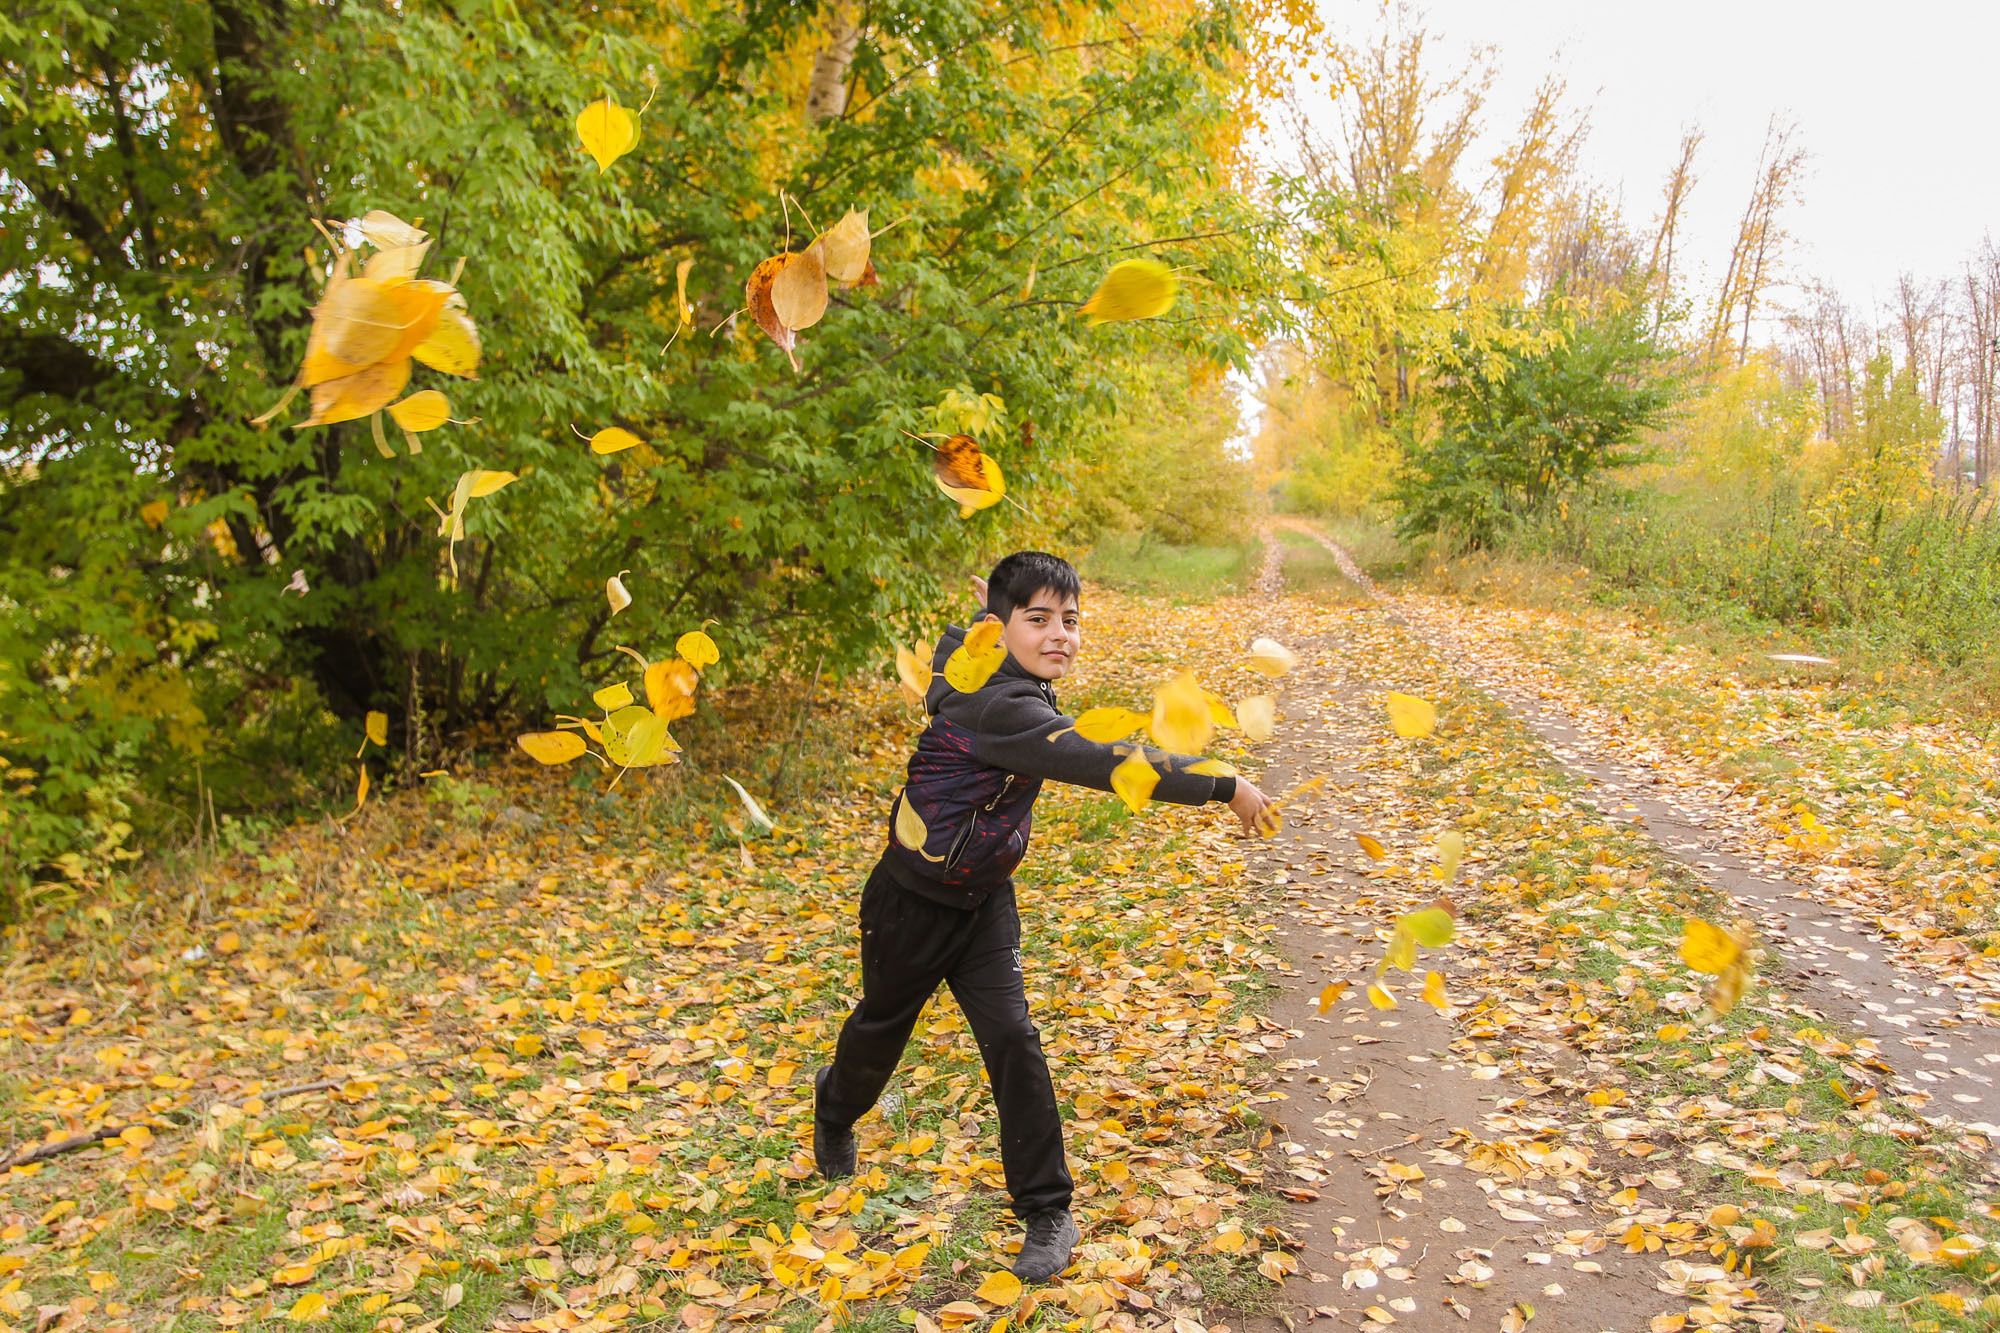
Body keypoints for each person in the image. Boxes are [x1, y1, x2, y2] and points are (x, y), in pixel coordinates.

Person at [813, 550, 1272, 1282]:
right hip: (909, 904)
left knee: (1014, 1039)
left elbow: (943, 658)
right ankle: (835, 1109)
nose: (1060, 634)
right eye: (1038, 620)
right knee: (879, 1030)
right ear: (1005, 627)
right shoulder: (1002, 708)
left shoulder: (979, 668)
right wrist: (1224, 783)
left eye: (1071, 619)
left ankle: (1047, 1209)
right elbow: (1111, 760)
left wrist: (983, 627)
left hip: (982, 901)